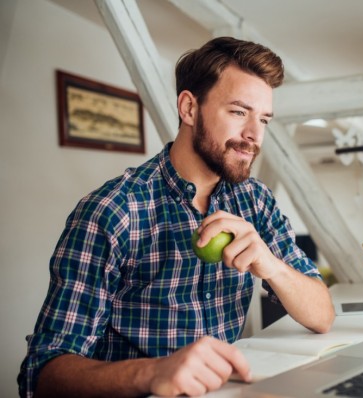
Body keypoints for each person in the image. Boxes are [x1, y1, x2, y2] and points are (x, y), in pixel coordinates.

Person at [18, 37, 335, 398]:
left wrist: (271, 265)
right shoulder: (112, 211)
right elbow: (40, 374)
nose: (254, 135)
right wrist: (152, 373)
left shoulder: (256, 202)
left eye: (263, 119)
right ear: (188, 108)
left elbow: (322, 315)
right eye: (238, 112)